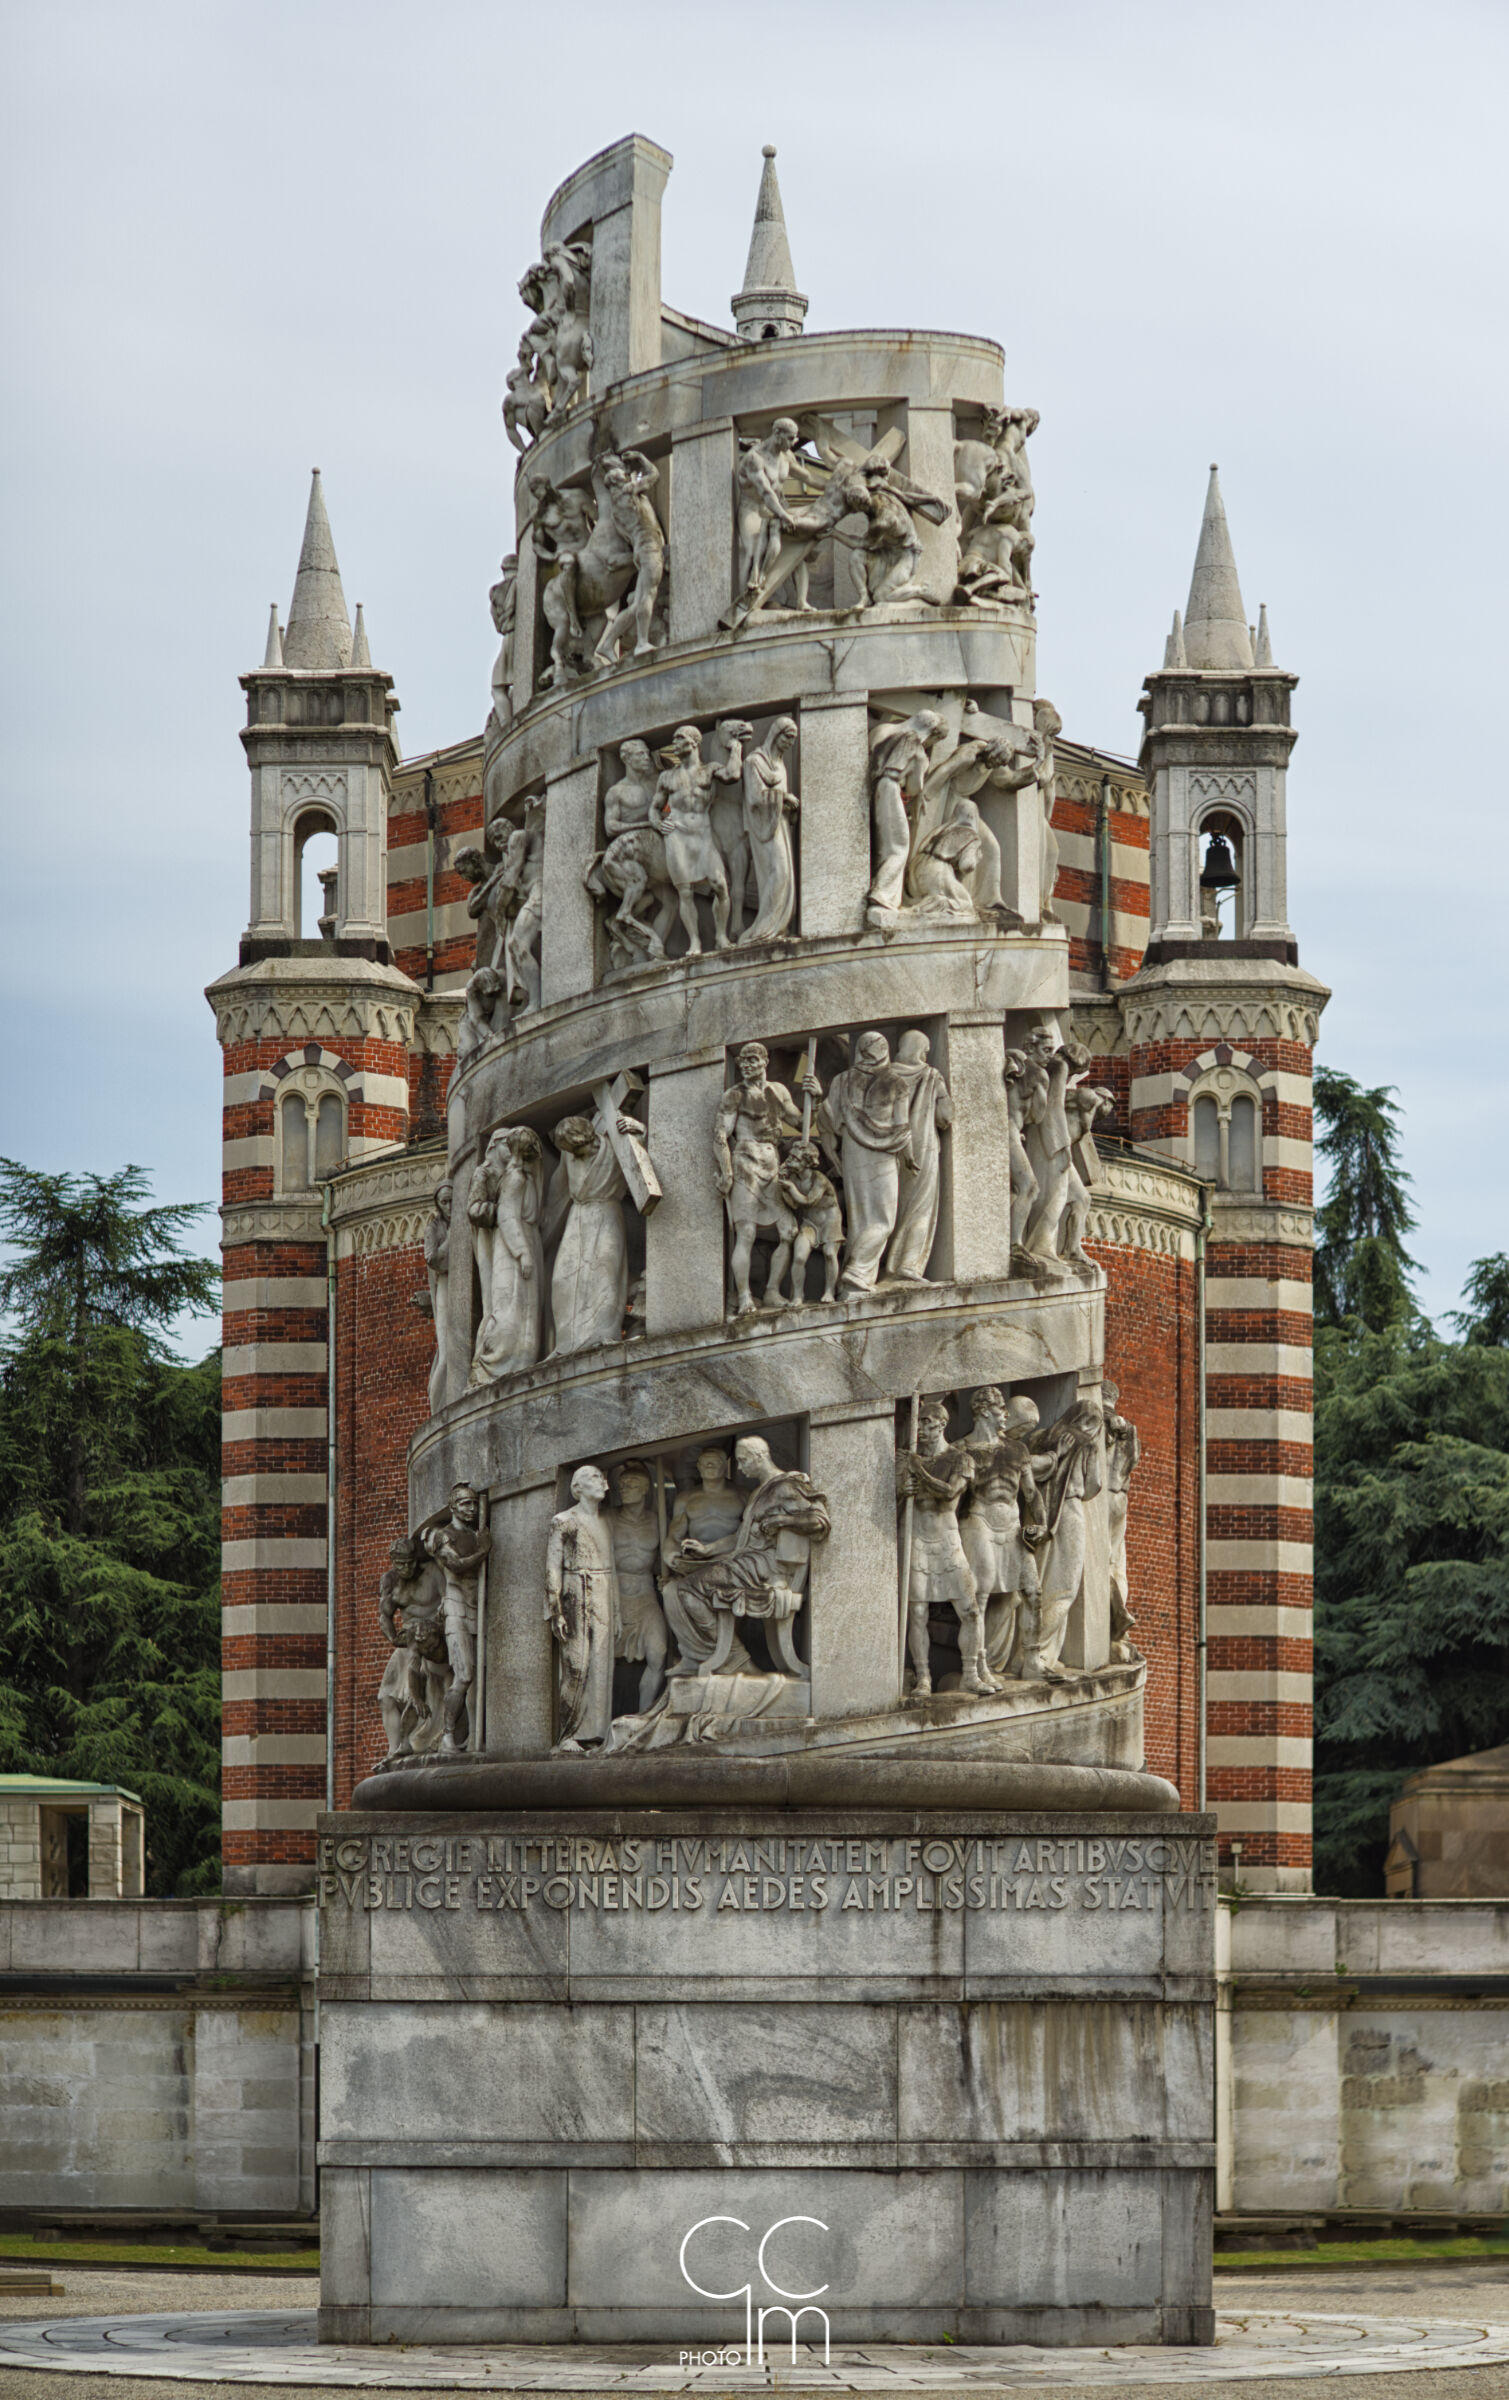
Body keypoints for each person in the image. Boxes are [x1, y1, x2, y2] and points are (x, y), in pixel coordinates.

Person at [713, 1042, 816, 1315]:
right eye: (743, 1061)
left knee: (788, 1231)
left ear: (764, 1061)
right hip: (745, 1158)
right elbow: (721, 1134)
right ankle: (745, 1294)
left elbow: (799, 1120)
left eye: (752, 1060)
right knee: (746, 1232)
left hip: (772, 1160)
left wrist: (814, 1097)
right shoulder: (734, 1095)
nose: (747, 1065)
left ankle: (772, 1291)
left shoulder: (778, 1091)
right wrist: (726, 1171)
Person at [897, 1401, 990, 1698]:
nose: (921, 1429)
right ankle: (923, 1677)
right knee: (918, 1614)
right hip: (917, 1541)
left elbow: (949, 1493)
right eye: (918, 1423)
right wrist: (902, 1490)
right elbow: (892, 1504)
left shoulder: (960, 1459)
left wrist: (918, 1470)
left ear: (941, 1423)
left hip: (948, 1542)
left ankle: (971, 1673)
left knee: (970, 1611)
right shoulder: (906, 1460)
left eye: (926, 1422)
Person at [817, 1032, 918, 1294]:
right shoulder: (896, 1083)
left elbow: (829, 1118)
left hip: (853, 1153)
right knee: (883, 1219)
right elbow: (902, 1127)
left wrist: (817, 1096)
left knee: (860, 1217)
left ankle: (854, 1280)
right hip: (883, 1155)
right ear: (885, 1051)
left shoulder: (843, 1080)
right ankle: (857, 1272)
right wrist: (909, 1156)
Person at [544, 1106, 634, 1354]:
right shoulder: (569, 1154)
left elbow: (639, 1163)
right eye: (570, 1152)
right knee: (564, 1278)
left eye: (578, 1151)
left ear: (588, 1138)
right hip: (578, 1217)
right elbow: (558, 1188)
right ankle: (566, 1341)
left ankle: (604, 1332)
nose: (574, 1156)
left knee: (605, 1271)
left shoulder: (613, 1145)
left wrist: (640, 1131)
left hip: (606, 1212)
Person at [544, 1464, 618, 1747]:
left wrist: (618, 1610)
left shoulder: (607, 1521)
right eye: (593, 1478)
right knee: (576, 1665)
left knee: (601, 1665)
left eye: (602, 1477)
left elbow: (614, 1566)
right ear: (577, 1488)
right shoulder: (564, 1520)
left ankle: (596, 1732)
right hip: (576, 1591)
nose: (601, 1482)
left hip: (604, 1591)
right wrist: (556, 1609)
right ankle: (568, 1733)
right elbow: (553, 1567)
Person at [468, 1127, 545, 1383]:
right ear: (493, 1147)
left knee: (522, 1301)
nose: (508, 1152)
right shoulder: (485, 1172)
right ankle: (488, 1362)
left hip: (518, 1237)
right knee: (502, 1303)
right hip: (496, 1242)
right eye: (505, 1146)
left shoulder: (521, 1174)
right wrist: (500, 1212)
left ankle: (519, 1358)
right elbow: (474, 1209)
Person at [423, 1484, 492, 1752]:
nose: (471, 1509)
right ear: (453, 1507)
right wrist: (484, 1551)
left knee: (478, 1677)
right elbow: (457, 1565)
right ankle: (447, 1735)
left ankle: (475, 1736)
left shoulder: (477, 1535)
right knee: (463, 1676)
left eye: (474, 1504)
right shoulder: (444, 1536)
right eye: (465, 1504)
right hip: (456, 1608)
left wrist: (481, 1543)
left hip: (479, 1608)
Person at [888, 1032, 952, 1282]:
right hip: (922, 1148)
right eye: (925, 1050)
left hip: (889, 1149)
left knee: (892, 1209)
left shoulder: (885, 1074)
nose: (926, 1056)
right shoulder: (931, 1076)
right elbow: (945, 1118)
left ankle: (886, 1263)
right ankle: (908, 1264)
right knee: (920, 1209)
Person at [608, 1461, 670, 1712]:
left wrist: (668, 1573)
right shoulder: (609, 1517)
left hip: (645, 1596)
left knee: (658, 1652)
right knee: (602, 1660)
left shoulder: (658, 1520)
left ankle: (643, 1716)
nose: (625, 1488)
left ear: (646, 1489)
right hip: (615, 1596)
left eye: (632, 1484)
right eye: (622, 1484)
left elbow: (664, 1557)